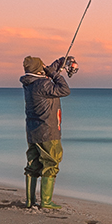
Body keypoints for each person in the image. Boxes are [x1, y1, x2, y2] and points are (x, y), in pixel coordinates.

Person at [19, 54, 77, 208]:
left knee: (33, 165)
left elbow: (46, 73)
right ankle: (46, 201)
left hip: (32, 131)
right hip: (48, 131)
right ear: (39, 71)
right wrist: (54, 74)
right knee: (51, 163)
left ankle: (30, 201)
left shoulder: (29, 83)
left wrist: (62, 61)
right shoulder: (43, 85)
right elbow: (64, 90)